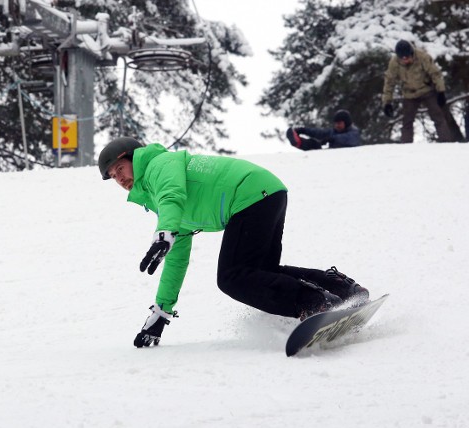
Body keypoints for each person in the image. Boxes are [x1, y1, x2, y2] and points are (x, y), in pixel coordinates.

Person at [98, 137, 370, 348]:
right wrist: (161, 314)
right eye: (112, 176)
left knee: (232, 277)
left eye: (120, 168)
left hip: (249, 195)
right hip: (265, 192)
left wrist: (163, 233)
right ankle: (340, 287)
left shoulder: (158, 165)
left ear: (135, 157)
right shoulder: (164, 206)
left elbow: (172, 194)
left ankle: (315, 304)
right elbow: (177, 260)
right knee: (260, 273)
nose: (119, 178)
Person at [382, 40, 452, 143]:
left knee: (438, 116)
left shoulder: (422, 57)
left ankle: (446, 142)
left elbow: (435, 74)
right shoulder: (394, 63)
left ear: (411, 54)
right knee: (407, 121)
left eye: (407, 57)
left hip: (427, 90)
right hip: (409, 94)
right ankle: (406, 146)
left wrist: (441, 92)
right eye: (402, 58)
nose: (405, 60)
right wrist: (387, 102)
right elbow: (389, 82)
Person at [286, 110, 361, 151]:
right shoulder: (334, 131)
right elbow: (319, 132)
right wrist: (303, 130)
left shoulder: (354, 133)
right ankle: (298, 142)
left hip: (345, 159)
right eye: (336, 123)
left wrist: (332, 139)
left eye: (339, 123)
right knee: (314, 144)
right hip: (332, 156)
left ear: (346, 123)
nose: (337, 125)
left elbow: (348, 138)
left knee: (317, 146)